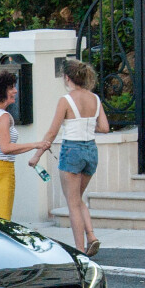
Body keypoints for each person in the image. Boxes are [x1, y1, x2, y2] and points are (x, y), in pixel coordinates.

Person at [29, 57, 109, 255]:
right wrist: (87, 127)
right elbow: (105, 128)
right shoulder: (95, 99)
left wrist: (37, 156)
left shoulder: (66, 100)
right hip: (91, 150)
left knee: (72, 203)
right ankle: (91, 236)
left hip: (72, 150)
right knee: (78, 198)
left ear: (67, 78)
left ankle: (79, 249)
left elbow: (52, 132)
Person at [0, 70, 49, 220]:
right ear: (1, 91)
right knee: (2, 217)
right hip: (0, 169)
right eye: (11, 88)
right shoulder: (3, 116)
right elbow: (6, 148)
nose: (15, 91)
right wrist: (36, 145)